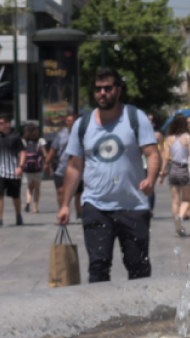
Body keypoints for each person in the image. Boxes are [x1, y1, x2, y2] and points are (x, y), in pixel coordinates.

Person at [56, 67, 161, 283]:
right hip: (96, 206)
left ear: (118, 90)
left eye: (107, 88)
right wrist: (65, 204)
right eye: (98, 89)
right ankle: (100, 316)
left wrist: (150, 180)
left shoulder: (135, 118)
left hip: (133, 206)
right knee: (98, 266)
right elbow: (74, 166)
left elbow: (152, 154)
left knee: (138, 267)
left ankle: (141, 314)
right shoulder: (82, 125)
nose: (102, 93)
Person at [158, 114, 190, 237]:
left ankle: (177, 224)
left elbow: (165, 158)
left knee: (175, 201)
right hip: (183, 170)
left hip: (173, 169)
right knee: (187, 200)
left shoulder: (169, 139)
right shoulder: (188, 137)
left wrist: (162, 173)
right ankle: (180, 218)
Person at [0, 115, 24, 228]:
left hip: (13, 171)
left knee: (15, 196)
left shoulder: (15, 137)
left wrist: (20, 166)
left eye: (1, 123)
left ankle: (18, 215)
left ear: (7, 124)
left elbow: (23, 152)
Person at [49, 115, 83, 222]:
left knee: (78, 194)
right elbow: (54, 148)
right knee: (60, 191)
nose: (67, 122)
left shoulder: (82, 134)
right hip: (61, 168)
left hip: (77, 168)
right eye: (66, 120)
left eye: (69, 120)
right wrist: (47, 162)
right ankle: (63, 211)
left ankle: (80, 214)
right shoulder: (61, 134)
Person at [19, 122, 46, 214]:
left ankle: (28, 201)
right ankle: (35, 208)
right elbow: (45, 154)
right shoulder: (40, 141)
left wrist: (20, 166)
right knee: (37, 188)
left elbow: (21, 155)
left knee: (29, 187)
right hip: (38, 167)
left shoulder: (23, 141)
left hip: (27, 167)